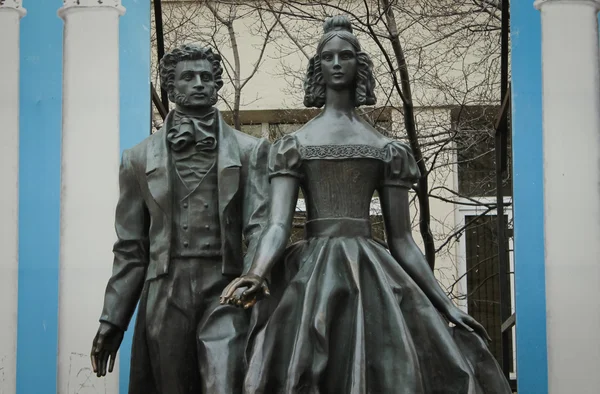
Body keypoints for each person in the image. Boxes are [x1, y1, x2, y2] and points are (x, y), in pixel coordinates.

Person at [221, 16, 512, 393]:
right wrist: (257, 274)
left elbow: (403, 239)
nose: (338, 63)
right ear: (318, 67)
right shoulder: (294, 145)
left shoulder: (386, 149)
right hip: (310, 275)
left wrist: (446, 305)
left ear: (360, 64)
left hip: (371, 274)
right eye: (329, 57)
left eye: (346, 55)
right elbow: (278, 225)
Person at [90, 44, 270, 394]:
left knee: (226, 381)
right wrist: (113, 319)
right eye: (188, 77)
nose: (199, 84)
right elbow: (130, 249)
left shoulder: (251, 151)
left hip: (226, 288)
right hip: (165, 290)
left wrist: (254, 274)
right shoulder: (137, 159)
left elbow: (260, 225)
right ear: (171, 88)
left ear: (217, 84)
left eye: (206, 77)